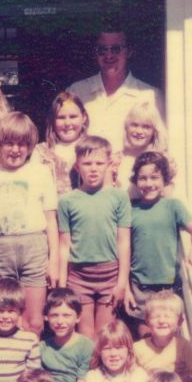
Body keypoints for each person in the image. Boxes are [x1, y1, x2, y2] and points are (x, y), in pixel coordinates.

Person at [0, 112, 59, 335]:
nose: (15, 150)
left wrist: (53, 261)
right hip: (0, 250)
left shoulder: (41, 173)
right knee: (4, 317)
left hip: (34, 249)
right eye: (9, 143)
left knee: (34, 322)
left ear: (30, 145)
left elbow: (51, 220)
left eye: (22, 144)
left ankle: (29, 368)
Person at [57, 135, 132, 338]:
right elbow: (64, 244)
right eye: (87, 163)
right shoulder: (67, 201)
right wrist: (63, 286)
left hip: (109, 275)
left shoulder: (119, 197)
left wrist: (122, 282)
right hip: (79, 276)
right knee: (85, 334)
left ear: (109, 165)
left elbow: (124, 242)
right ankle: (87, 370)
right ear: (77, 167)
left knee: (104, 334)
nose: (93, 168)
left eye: (99, 163)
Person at [125, 152, 192, 327]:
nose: (149, 184)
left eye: (155, 178)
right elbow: (123, 248)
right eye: (143, 178)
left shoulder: (173, 206)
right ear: (135, 181)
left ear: (164, 181)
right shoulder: (130, 208)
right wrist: (126, 289)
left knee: (167, 333)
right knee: (145, 335)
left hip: (168, 286)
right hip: (139, 287)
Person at [67, 29, 164, 155]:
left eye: (116, 49)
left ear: (129, 51)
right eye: (102, 49)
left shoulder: (150, 95)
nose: (109, 55)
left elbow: (162, 146)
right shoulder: (77, 91)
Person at [134, 290, 192, 382]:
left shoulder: (183, 346)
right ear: (147, 321)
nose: (162, 321)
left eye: (168, 316)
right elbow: (131, 378)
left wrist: (168, 379)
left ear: (180, 322)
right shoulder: (138, 348)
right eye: (156, 317)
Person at [39, 289, 93, 382]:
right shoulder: (42, 347)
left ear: (78, 317)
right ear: (46, 317)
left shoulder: (86, 345)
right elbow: (39, 380)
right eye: (54, 315)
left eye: (66, 315)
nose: (60, 321)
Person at [30, 91, 89, 195]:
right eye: (61, 117)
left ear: (83, 117)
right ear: (53, 120)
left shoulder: (94, 148)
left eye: (73, 117)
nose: (67, 123)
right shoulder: (41, 152)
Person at [114, 101, 171, 195]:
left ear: (154, 131)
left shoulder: (163, 160)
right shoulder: (117, 159)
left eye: (146, 127)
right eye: (134, 125)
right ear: (126, 127)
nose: (139, 131)